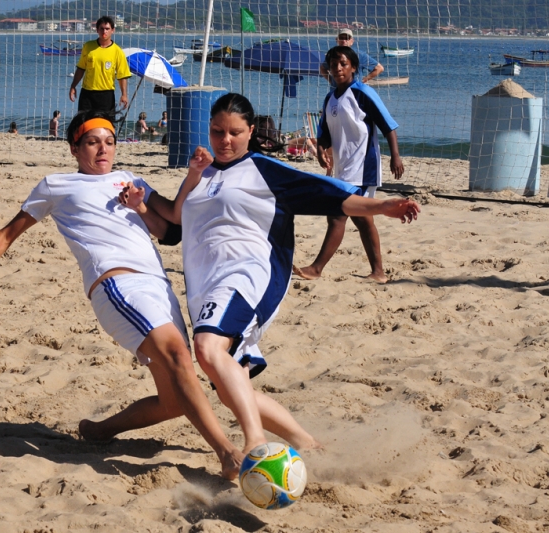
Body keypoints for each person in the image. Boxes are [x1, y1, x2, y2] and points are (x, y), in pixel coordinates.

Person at [0, 110, 245, 479]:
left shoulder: (130, 179)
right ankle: (228, 452)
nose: (103, 149)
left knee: (174, 401)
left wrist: (193, 175)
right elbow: (9, 233)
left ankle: (100, 430)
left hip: (159, 285)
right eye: (92, 142)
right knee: (177, 357)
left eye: (109, 141)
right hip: (117, 285)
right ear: (75, 148)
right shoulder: (57, 185)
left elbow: (173, 218)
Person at [116, 93, 419, 454]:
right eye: (217, 131)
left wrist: (382, 205)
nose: (225, 140)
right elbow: (175, 224)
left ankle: (255, 443)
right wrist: (142, 204)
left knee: (207, 348)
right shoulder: (204, 173)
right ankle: (311, 446)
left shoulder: (264, 169)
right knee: (230, 388)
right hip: (203, 286)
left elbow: (328, 194)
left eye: (235, 132)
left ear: (250, 132)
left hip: (247, 275)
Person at [295, 47, 405, 284]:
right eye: (333, 64)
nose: (338, 68)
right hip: (342, 169)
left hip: (363, 168)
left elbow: (388, 126)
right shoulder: (330, 98)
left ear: (353, 67)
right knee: (362, 218)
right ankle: (378, 272)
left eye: (343, 64)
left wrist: (395, 156)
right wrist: (321, 150)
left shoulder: (363, 92)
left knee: (337, 215)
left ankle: (316, 268)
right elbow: (324, 133)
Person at [68, 16, 131, 122]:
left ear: (112, 30)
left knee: (106, 125)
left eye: (107, 29)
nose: (104, 31)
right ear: (97, 30)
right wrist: (73, 86)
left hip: (106, 95)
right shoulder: (88, 46)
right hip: (87, 93)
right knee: (83, 125)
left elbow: (122, 76)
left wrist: (124, 95)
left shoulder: (118, 51)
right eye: (101, 28)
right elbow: (81, 68)